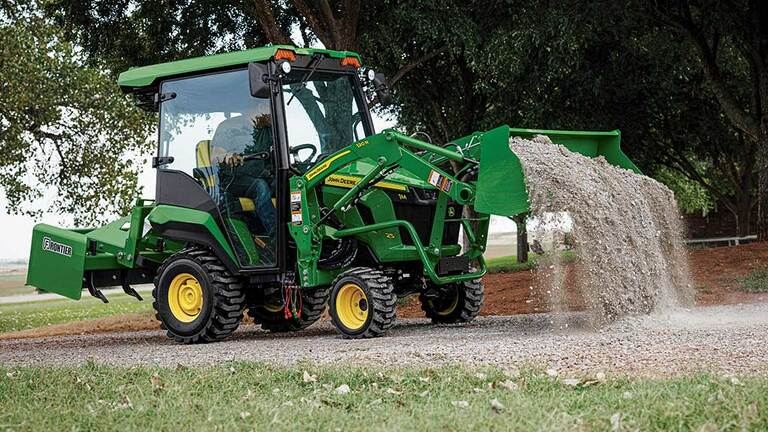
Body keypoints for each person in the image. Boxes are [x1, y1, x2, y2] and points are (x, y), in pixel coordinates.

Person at [210, 103, 276, 239]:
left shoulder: (268, 129)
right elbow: (214, 157)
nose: (273, 113)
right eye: (271, 108)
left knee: (292, 183)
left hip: (262, 175)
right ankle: (277, 236)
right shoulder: (230, 126)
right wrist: (227, 156)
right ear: (261, 107)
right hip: (233, 179)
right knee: (260, 187)